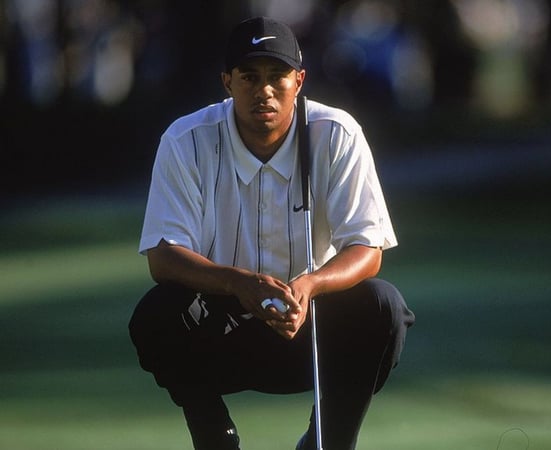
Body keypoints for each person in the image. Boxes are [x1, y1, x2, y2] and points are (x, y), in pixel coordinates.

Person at [128, 16, 415, 450]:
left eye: (277, 76)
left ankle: (328, 440)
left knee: (384, 306)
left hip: (310, 327)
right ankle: (215, 438)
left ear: (299, 80)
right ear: (227, 81)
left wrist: (310, 285)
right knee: (156, 314)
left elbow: (367, 246)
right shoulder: (186, 139)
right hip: (222, 330)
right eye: (249, 76)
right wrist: (235, 282)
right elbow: (163, 256)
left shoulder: (337, 134)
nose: (264, 90)